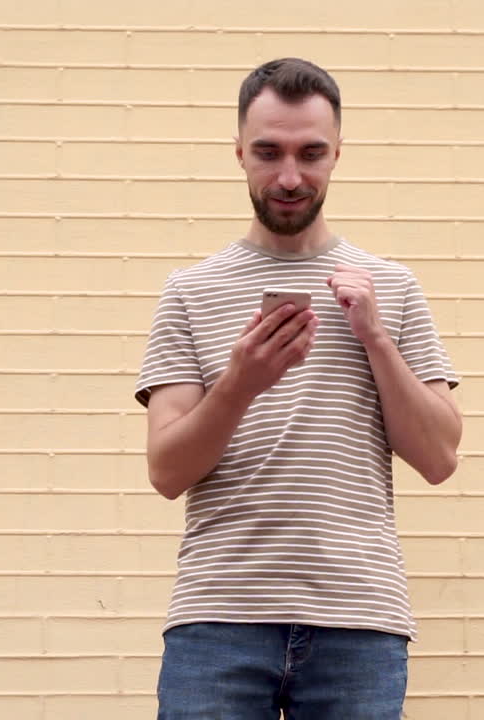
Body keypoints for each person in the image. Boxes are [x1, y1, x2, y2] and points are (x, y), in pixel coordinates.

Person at [135, 57, 463, 719]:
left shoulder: (390, 288)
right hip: (219, 617)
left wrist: (375, 338)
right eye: (269, 152)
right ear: (239, 154)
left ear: (338, 153)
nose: (290, 176)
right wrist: (240, 384)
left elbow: (439, 458)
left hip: (359, 619)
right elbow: (167, 471)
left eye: (311, 153)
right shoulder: (189, 292)